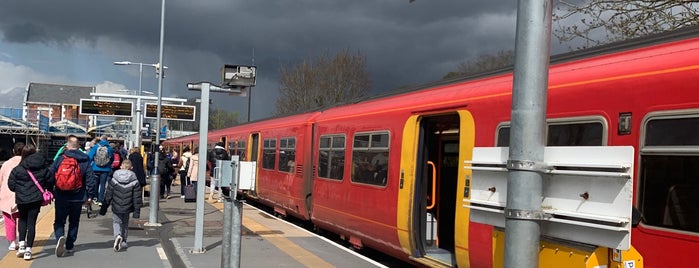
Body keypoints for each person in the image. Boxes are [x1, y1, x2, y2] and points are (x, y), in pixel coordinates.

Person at [50, 135, 96, 257]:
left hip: (61, 195)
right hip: (78, 196)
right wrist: (90, 195)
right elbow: (90, 179)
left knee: (59, 220)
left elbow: (50, 175)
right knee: (74, 221)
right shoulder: (85, 159)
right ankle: (70, 245)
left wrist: (50, 190)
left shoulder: (60, 158)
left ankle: (60, 237)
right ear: (78, 146)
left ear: (67, 145)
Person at [8, 144, 55, 260]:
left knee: (22, 221)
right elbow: (50, 181)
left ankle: (22, 245)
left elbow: (11, 185)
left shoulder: (18, 169)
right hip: (36, 199)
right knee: (31, 223)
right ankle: (29, 250)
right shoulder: (42, 167)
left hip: (22, 199)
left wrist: (20, 190)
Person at [99, 159, 142, 252]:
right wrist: (136, 212)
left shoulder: (114, 179)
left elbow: (108, 194)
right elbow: (137, 197)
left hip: (116, 205)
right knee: (125, 223)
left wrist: (103, 208)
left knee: (116, 222)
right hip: (128, 205)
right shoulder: (135, 180)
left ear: (121, 166)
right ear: (131, 168)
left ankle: (117, 235)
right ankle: (124, 240)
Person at [0, 142, 24, 251]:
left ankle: (13, 242)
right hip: (23, 195)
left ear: (13, 151)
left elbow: (1, 180)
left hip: (7, 194)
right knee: (22, 219)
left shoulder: (6, 164)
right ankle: (22, 240)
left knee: (9, 220)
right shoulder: (26, 163)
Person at [87, 135, 114, 206]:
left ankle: (95, 198)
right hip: (105, 169)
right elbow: (111, 158)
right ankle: (100, 200)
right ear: (107, 139)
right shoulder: (109, 148)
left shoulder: (96, 147)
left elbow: (90, 157)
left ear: (101, 139)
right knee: (102, 184)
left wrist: (89, 165)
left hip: (95, 168)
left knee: (95, 183)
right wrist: (108, 164)